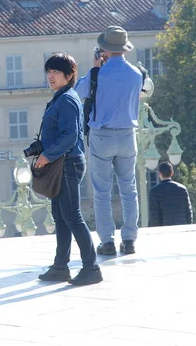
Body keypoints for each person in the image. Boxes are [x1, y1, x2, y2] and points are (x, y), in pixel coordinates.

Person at [36, 52, 103, 286]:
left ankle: (91, 268)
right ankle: (60, 267)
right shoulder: (60, 97)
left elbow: (71, 135)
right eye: (49, 71)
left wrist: (46, 154)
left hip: (67, 163)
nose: (50, 76)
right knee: (61, 217)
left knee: (72, 216)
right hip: (62, 163)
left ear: (69, 75)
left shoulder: (65, 100)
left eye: (56, 72)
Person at [75, 26, 143, 255]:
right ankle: (130, 239)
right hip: (127, 135)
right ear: (124, 48)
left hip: (102, 136)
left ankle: (107, 242)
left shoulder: (98, 74)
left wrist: (94, 68)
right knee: (129, 189)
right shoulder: (136, 74)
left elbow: (77, 92)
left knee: (102, 192)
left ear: (104, 49)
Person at [149, 162, 193, 227]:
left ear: (159, 174)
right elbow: (188, 213)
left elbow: (154, 216)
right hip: (181, 229)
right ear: (172, 173)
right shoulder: (183, 189)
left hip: (164, 230)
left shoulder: (154, 191)